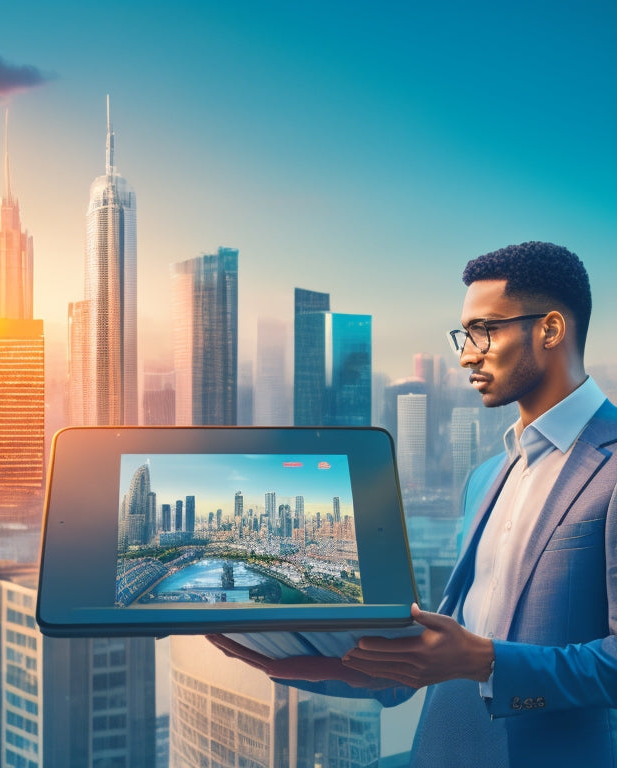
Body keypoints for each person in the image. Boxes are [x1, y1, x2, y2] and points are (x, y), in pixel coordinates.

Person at [208, 242, 617, 767]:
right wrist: (330, 666)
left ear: (551, 329)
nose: (467, 353)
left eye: (483, 331)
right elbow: (437, 663)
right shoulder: (485, 478)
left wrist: (487, 661)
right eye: (463, 334)